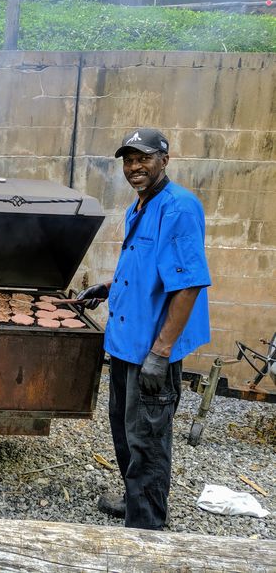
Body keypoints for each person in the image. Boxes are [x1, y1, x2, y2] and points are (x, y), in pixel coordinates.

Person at [77, 129, 211, 530]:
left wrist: (161, 352)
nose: (134, 167)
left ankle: (147, 531)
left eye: (143, 158)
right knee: (123, 429)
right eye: (128, 160)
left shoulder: (179, 207)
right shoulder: (140, 206)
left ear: (164, 160)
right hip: (125, 343)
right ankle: (134, 501)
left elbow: (189, 283)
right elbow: (141, 270)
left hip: (152, 351)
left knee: (148, 441)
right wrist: (107, 287)